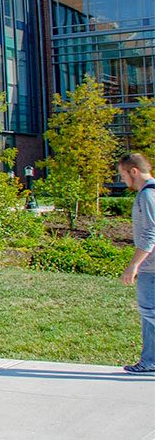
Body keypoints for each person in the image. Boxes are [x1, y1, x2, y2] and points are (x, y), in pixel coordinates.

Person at [119, 153, 155, 374]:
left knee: (149, 311)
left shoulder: (148, 195)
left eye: (123, 175)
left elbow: (151, 233)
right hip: (150, 266)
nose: (123, 180)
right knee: (148, 317)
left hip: (151, 267)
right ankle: (149, 361)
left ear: (134, 171)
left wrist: (133, 266)